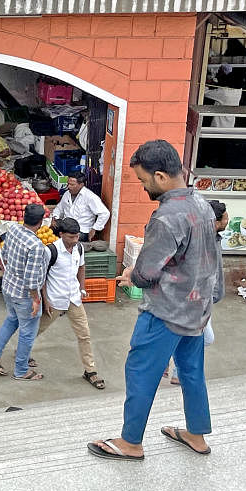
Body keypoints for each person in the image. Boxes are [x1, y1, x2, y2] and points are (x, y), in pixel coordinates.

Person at [89, 140, 223, 462]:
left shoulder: (166, 217)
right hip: (197, 309)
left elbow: (147, 273)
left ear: (160, 176)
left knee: (141, 372)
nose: (143, 186)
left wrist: (131, 274)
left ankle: (130, 442)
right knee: (191, 373)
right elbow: (212, 257)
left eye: (143, 180)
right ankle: (196, 434)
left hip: (166, 312)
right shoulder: (202, 204)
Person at [36, 218, 104, 390]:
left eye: (77, 237)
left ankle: (90, 370)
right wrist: (45, 300)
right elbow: (42, 277)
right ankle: (22, 354)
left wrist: (82, 288)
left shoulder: (79, 248)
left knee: (84, 335)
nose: (75, 240)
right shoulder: (50, 251)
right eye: (71, 237)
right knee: (36, 330)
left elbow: (81, 268)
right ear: (61, 235)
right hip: (55, 300)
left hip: (74, 299)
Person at [0, 203, 50, 381]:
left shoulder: (13, 230)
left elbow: (2, 254)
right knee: (28, 332)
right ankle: (21, 370)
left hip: (8, 287)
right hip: (24, 295)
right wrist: (36, 300)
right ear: (41, 222)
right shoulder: (36, 246)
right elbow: (31, 280)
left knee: (12, 319)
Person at [169, 201, 225, 385]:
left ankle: (171, 366)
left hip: (204, 300)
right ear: (216, 221)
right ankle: (171, 364)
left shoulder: (213, 238)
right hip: (197, 301)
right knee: (205, 338)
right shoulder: (202, 243)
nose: (228, 220)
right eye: (225, 217)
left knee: (192, 337)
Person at [52, 173, 111, 244]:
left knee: (64, 239)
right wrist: (55, 218)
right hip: (66, 226)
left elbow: (104, 213)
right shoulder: (67, 194)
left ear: (81, 185)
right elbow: (59, 208)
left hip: (81, 230)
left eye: (72, 185)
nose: (69, 187)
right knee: (50, 230)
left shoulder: (90, 197)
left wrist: (95, 229)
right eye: (68, 184)